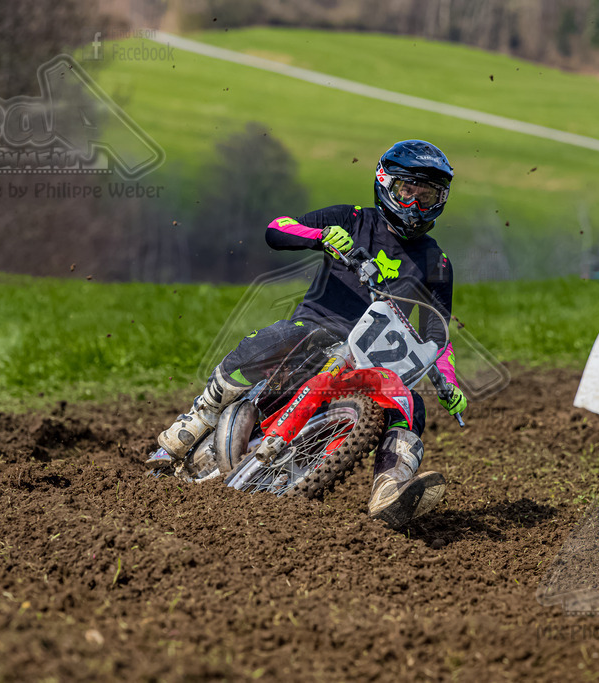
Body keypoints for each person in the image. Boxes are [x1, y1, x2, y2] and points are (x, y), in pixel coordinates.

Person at [157, 140, 467, 528]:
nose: (417, 204)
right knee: (288, 335)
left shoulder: (436, 262)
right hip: (319, 329)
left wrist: (448, 383)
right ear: (386, 184)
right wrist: (321, 237)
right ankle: (198, 417)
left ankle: (390, 488)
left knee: (411, 406)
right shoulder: (353, 219)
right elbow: (277, 228)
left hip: (371, 356)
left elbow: (437, 334)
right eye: (409, 191)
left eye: (428, 196)